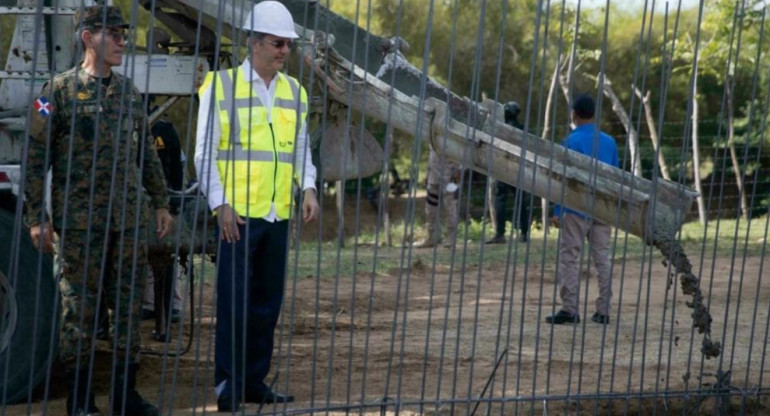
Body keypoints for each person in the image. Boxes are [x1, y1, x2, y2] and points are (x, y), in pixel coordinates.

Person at [25, 6, 172, 416]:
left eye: (125, 34)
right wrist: (36, 218)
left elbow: (146, 155)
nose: (124, 41)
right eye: (115, 34)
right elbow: (36, 160)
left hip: (126, 223)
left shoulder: (128, 93)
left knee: (126, 310)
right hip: (78, 226)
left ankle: (125, 396)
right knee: (80, 312)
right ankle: (80, 399)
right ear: (88, 37)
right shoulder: (55, 93)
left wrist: (161, 202)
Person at [194, 1, 319, 412]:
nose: (284, 51)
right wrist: (220, 203)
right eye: (277, 43)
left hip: (277, 213)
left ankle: (253, 381)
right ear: (253, 43)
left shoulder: (294, 91)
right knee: (234, 305)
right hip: (238, 217)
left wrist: (310, 187)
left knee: (267, 305)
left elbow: (300, 148)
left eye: (288, 45)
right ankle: (228, 387)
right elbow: (204, 153)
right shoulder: (220, 86)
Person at [546, 94, 618, 325]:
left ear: (574, 114)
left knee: (569, 257)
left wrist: (557, 210)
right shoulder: (609, 142)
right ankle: (604, 309)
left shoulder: (570, 141)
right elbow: (615, 176)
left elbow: (562, 180)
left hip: (576, 207)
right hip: (602, 208)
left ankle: (570, 309)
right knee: (602, 258)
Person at [486, 101, 533, 244]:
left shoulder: (499, 129)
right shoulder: (523, 129)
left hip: (501, 167)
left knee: (500, 200)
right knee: (520, 200)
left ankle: (500, 233)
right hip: (518, 168)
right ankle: (524, 233)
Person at [415, 148, 460, 248]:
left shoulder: (452, 138)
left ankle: (451, 238)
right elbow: (431, 155)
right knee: (430, 209)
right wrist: (428, 174)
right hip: (434, 178)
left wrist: (458, 172)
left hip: (449, 178)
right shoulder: (434, 137)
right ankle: (432, 237)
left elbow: (459, 156)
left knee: (450, 208)